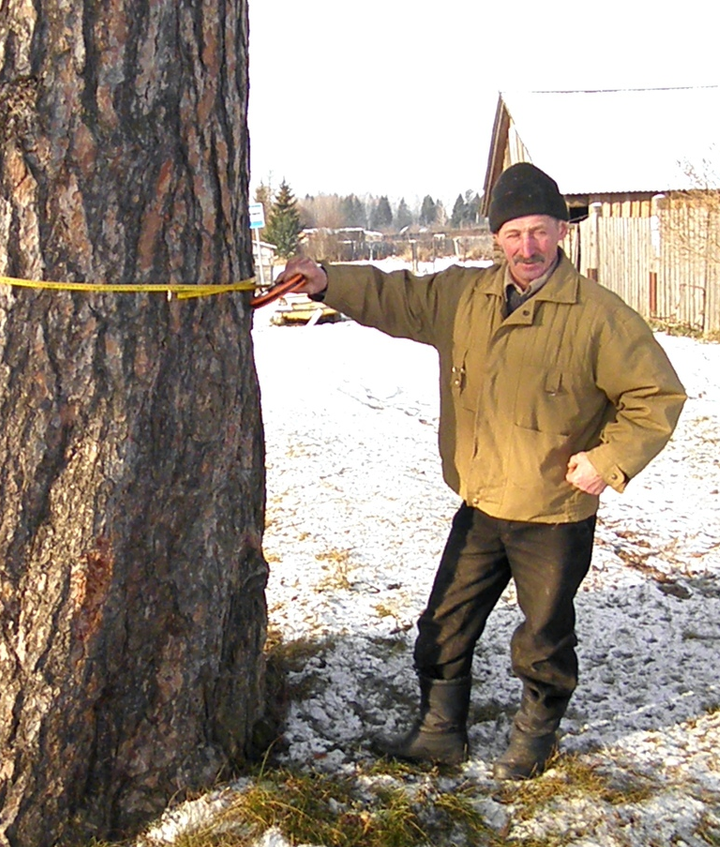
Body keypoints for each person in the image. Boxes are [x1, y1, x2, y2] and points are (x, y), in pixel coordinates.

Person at [277, 162, 686, 780]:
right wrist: (326, 280)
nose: (528, 247)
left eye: (541, 232)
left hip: (553, 512)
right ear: (497, 237)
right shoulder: (464, 296)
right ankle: (440, 733)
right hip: (481, 502)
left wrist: (609, 461)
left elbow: (655, 396)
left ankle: (534, 739)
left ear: (561, 233)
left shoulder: (600, 315)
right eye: (515, 233)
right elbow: (398, 295)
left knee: (543, 638)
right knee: (444, 622)